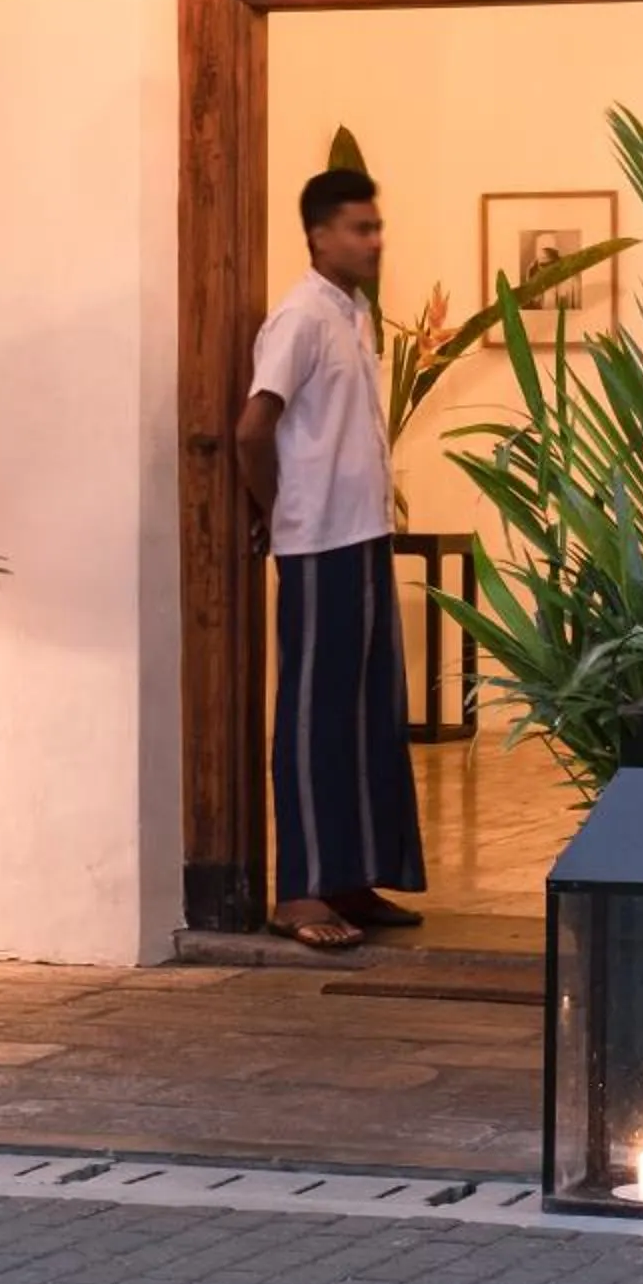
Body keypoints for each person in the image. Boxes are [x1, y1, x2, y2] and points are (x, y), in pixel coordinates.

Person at [234, 166, 427, 951]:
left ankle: (351, 877)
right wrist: (272, 509)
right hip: (316, 544)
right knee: (314, 717)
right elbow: (253, 428)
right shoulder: (299, 317)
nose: (373, 241)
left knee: (368, 713)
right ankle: (300, 893)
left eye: (376, 227)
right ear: (318, 234)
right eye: (358, 228)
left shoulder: (355, 314)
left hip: (365, 535)